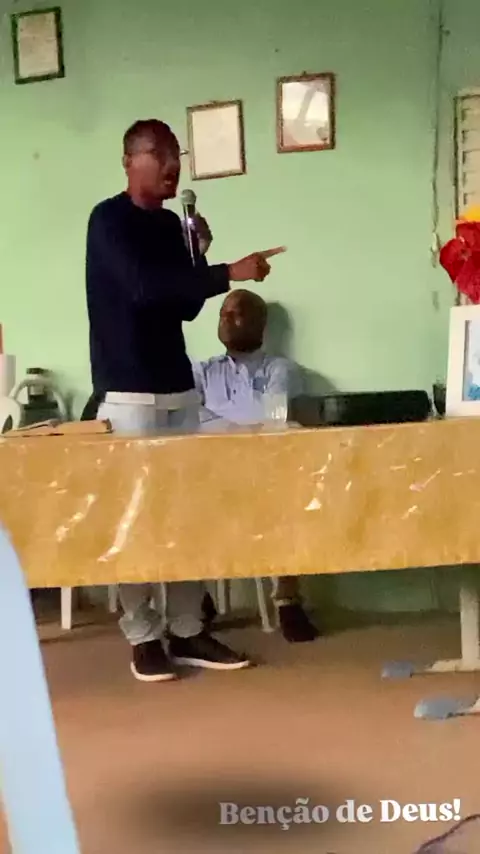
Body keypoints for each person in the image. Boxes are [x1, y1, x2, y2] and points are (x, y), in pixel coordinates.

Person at [86, 118, 285, 682]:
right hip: (128, 391)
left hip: (178, 386)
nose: (174, 164)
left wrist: (197, 256)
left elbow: (184, 308)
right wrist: (227, 272)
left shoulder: (171, 223)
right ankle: (143, 636)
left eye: (178, 154)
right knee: (136, 518)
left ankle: (188, 628)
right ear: (130, 161)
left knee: (183, 515)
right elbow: (143, 288)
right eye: (160, 153)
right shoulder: (108, 220)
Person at [192, 289, 319, 643]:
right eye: (223, 313)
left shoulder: (280, 369)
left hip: (267, 469)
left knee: (290, 491)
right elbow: (189, 416)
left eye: (237, 313)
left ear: (260, 323)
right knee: (178, 496)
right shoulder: (202, 371)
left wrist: (223, 426)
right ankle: (197, 599)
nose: (226, 319)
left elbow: (275, 419)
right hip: (209, 470)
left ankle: (287, 599)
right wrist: (241, 431)